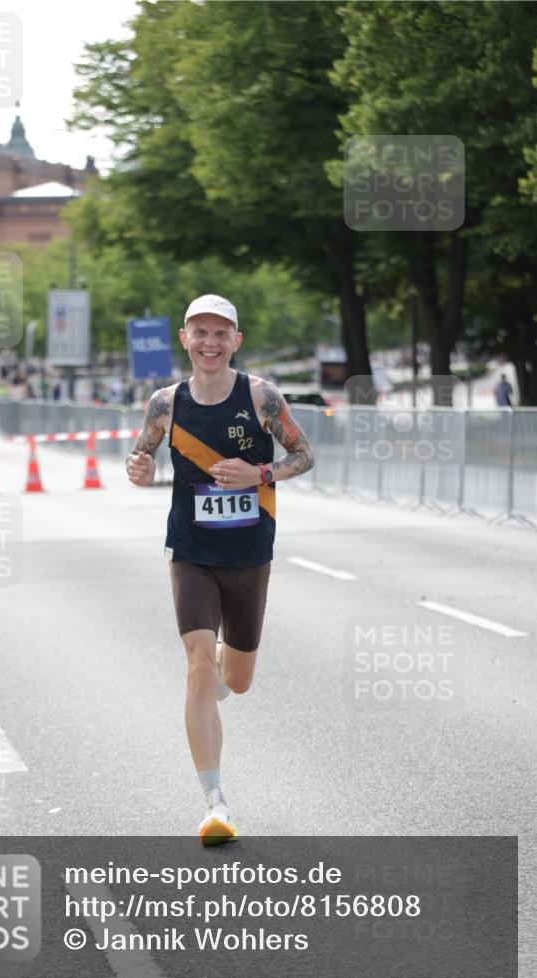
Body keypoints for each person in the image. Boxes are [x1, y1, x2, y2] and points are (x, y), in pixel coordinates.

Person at [126, 294, 314, 845]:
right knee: (199, 667)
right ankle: (216, 804)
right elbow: (142, 457)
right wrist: (137, 467)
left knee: (237, 680)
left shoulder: (261, 396)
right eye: (199, 332)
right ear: (184, 339)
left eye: (220, 333)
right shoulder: (165, 404)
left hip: (249, 551)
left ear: (236, 341)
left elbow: (304, 456)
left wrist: (260, 474)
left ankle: (217, 686)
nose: (210, 342)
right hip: (190, 550)